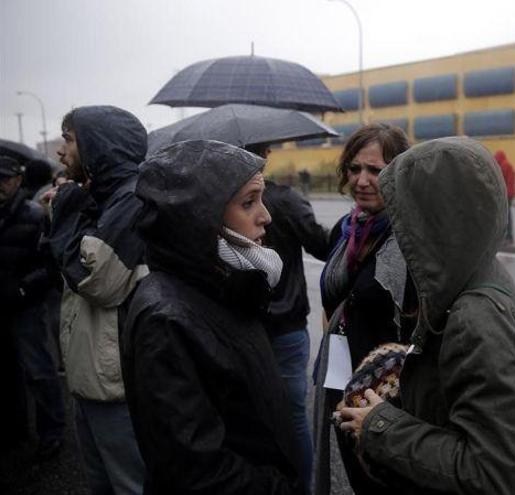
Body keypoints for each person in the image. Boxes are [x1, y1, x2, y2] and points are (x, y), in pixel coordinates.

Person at [335, 137, 515, 494]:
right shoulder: (475, 268)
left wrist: (380, 425)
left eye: (406, 214)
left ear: (433, 216)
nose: (399, 230)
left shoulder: (473, 317)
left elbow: (492, 470)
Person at [122, 140, 305, 494]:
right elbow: (195, 469)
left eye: (261, 199)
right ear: (199, 216)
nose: (265, 215)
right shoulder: (166, 318)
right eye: (248, 202)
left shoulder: (222, 282)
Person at [46, 106, 147, 493]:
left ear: (97, 144)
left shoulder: (130, 199)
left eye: (68, 139)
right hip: (94, 378)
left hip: (115, 385)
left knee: (129, 485)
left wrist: (68, 212)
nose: (60, 151)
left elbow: (96, 280)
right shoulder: (103, 196)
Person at [313, 123, 410, 494]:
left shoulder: (410, 234)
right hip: (340, 375)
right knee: (352, 470)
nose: (362, 180)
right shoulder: (345, 228)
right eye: (355, 169)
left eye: (376, 170)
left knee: (386, 481)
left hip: (389, 390)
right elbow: (333, 298)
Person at [245, 141, 332, 492]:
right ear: (266, 154)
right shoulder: (284, 199)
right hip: (287, 326)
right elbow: (324, 245)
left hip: (244, 324)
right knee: (295, 415)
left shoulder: (220, 200)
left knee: (252, 415)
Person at [0, 156, 65, 460]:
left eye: (4, 178)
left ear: (17, 180)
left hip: (26, 305)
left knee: (38, 370)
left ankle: (51, 432)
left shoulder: (35, 214)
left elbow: (51, 263)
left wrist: (24, 287)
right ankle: (15, 430)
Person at [494, 150, 515, 244]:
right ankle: (508, 236)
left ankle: (508, 237)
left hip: (507, 194)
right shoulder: (506, 164)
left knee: (506, 216)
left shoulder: (504, 166)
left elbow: (503, 182)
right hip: (509, 193)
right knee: (506, 215)